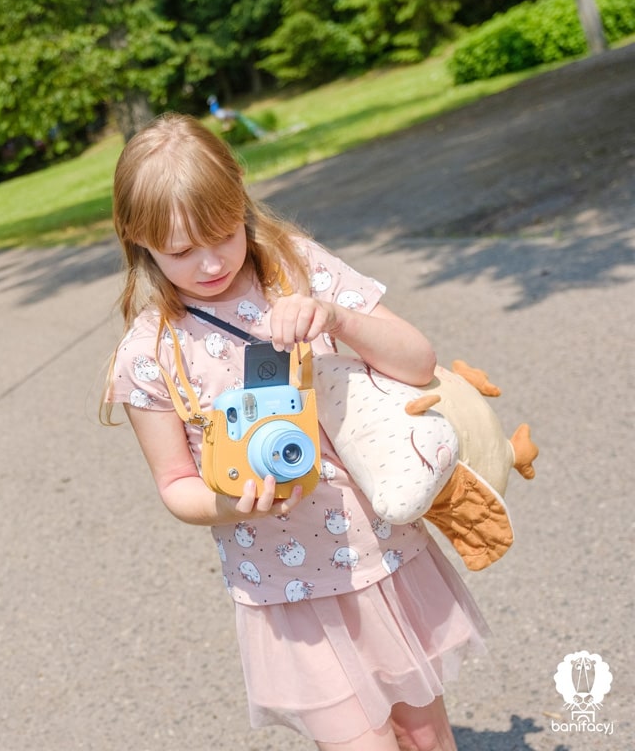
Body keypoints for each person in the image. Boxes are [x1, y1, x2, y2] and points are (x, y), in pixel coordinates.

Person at [103, 113, 488, 751]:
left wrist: (338, 317)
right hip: (286, 587)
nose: (207, 264)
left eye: (222, 235)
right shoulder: (150, 355)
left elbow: (418, 361)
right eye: (179, 251)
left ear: (241, 199)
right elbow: (174, 483)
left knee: (426, 737)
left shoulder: (296, 270)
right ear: (136, 239)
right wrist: (228, 500)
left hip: (380, 553)